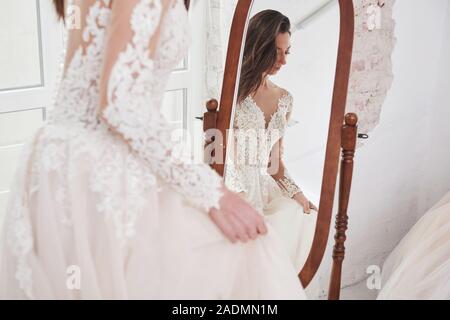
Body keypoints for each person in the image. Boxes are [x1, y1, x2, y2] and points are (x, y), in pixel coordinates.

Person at [0, 0, 307, 299]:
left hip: (69, 161)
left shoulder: (284, 98)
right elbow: (121, 102)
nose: (282, 60)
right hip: (96, 168)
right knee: (253, 252)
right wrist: (214, 193)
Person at [225, 10, 317, 271]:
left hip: (265, 188)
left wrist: (298, 195)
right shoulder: (229, 91)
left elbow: (274, 164)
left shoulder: (285, 98)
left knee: (301, 216)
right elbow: (218, 155)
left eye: (287, 51)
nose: (283, 61)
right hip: (233, 186)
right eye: (277, 51)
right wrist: (241, 197)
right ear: (258, 46)